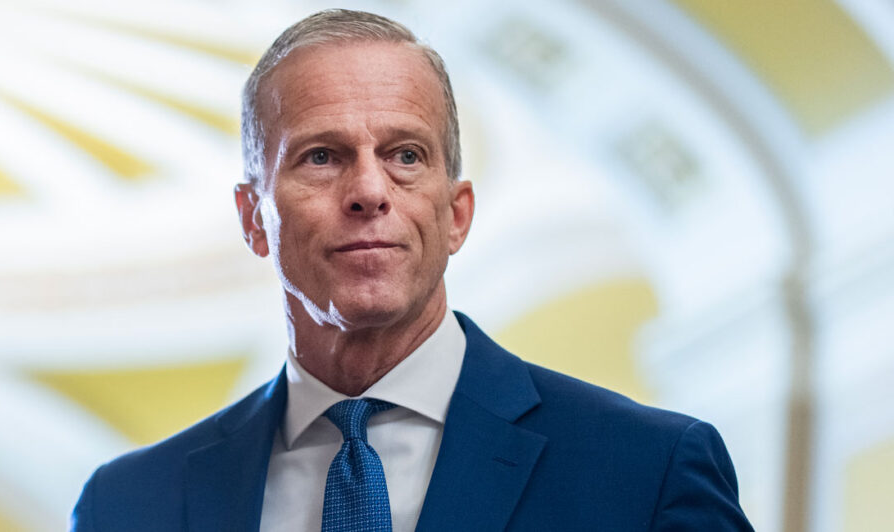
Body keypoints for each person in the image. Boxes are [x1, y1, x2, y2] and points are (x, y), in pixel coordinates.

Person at [71, 9, 754, 531]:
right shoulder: (128, 506)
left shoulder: (645, 469)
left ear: (456, 214)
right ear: (254, 217)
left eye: (405, 155)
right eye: (321, 156)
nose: (369, 190)